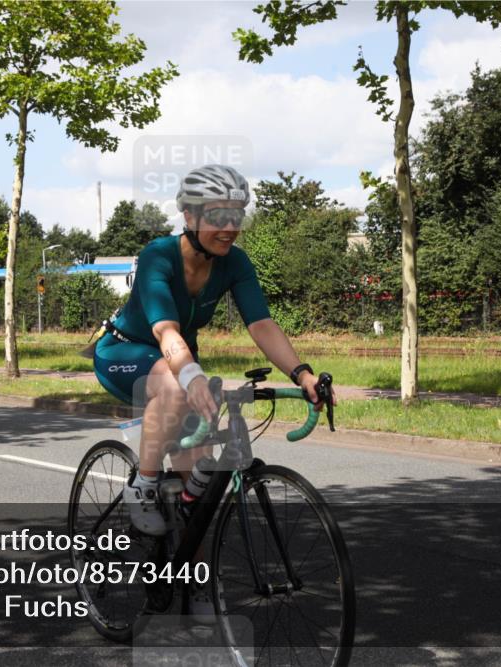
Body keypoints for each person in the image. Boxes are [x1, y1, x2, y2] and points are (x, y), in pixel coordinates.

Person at [92, 164, 335, 618]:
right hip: (128, 353)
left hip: (179, 360)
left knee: (197, 487)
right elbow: (165, 330)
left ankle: (196, 581)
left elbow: (261, 323)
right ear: (189, 216)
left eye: (236, 215)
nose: (230, 227)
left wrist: (301, 373)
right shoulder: (158, 255)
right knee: (175, 384)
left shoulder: (234, 262)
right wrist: (193, 377)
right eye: (218, 216)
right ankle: (142, 487)